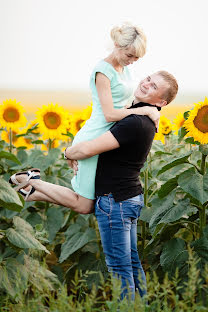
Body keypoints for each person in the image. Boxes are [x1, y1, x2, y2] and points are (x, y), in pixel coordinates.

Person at [10, 70, 178, 300]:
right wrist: (148, 109)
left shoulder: (135, 123)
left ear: (162, 102)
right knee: (131, 263)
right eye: (148, 78)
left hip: (115, 201)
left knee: (119, 269)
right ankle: (33, 185)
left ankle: (126, 308)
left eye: (154, 86)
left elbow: (88, 149)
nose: (146, 84)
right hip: (127, 198)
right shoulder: (142, 117)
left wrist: (69, 152)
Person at [11, 22, 160, 211]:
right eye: (129, 55)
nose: (132, 60)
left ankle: (32, 192)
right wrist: (144, 110)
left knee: (91, 201)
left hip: (108, 138)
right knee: (84, 205)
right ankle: (30, 180)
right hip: (95, 135)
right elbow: (109, 114)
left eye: (136, 58)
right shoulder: (103, 72)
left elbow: (123, 102)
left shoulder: (125, 68)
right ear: (117, 46)